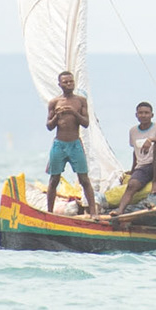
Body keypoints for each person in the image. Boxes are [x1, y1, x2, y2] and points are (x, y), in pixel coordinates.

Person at [44, 70, 94, 215]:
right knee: (54, 179)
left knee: (84, 179)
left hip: (75, 144)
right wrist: (57, 116)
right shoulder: (54, 102)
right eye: (65, 82)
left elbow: (85, 123)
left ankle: (93, 211)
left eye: (71, 81)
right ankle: (49, 212)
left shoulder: (80, 101)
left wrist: (74, 113)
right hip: (59, 144)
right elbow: (49, 126)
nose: (68, 84)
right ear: (59, 84)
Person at [108, 101, 156, 220]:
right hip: (143, 167)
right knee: (132, 185)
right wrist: (132, 170)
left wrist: (150, 139)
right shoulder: (133, 131)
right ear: (136, 115)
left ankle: (155, 182)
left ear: (152, 115)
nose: (143, 115)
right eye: (140, 113)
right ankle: (120, 210)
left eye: (146, 113)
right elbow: (135, 152)